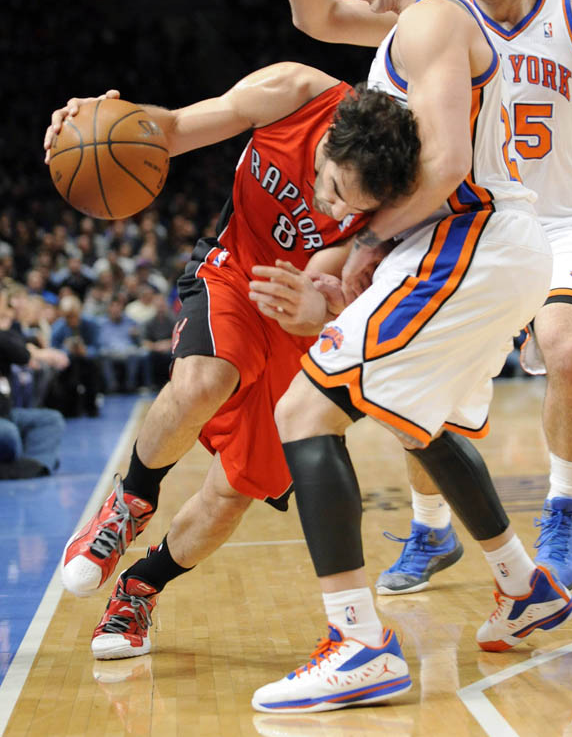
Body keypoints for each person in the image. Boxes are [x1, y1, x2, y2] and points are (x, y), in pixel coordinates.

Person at [250, 0, 572, 715]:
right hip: (480, 243)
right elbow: (315, 18)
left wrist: (359, 246)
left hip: (465, 236)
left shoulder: (434, 16)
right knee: (413, 422)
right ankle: (522, 585)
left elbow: (446, 165)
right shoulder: (418, 24)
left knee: (303, 412)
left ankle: (359, 643)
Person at [281, 0, 572, 596]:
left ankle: (563, 508)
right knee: (427, 390)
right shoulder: (436, 19)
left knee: (565, 350)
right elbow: (320, 16)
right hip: (468, 223)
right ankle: (433, 530)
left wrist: (363, 237)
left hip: (556, 222)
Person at [44, 61, 421, 659]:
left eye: (348, 204)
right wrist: (95, 120)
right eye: (332, 185)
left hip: (300, 329)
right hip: (234, 271)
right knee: (203, 379)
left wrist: (320, 312)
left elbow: (342, 294)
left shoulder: (396, 203)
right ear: (331, 139)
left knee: (234, 491)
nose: (331, 205)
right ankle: (127, 507)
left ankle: (141, 588)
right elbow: (167, 128)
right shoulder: (293, 94)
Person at [0, 285, 68, 479]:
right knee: (9, 435)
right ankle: (15, 467)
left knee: (50, 420)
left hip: (6, 413)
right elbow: (21, 352)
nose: (10, 308)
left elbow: (19, 349)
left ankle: (34, 465)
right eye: (6, 304)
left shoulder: (10, 333)